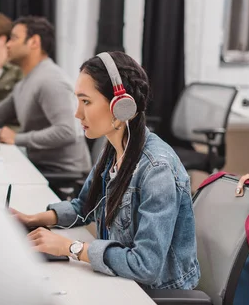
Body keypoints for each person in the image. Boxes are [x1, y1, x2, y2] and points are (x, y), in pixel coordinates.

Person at [11, 51, 200, 290]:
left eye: (86, 101)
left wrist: (72, 248)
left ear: (120, 106)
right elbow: (84, 207)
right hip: (122, 283)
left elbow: (146, 265)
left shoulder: (157, 170)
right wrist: (33, 219)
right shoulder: (113, 149)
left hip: (154, 297)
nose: (77, 113)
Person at [0, 16, 91, 175]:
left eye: (14, 38)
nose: (8, 44)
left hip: (62, 174)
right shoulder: (25, 81)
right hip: (39, 164)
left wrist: (17, 138)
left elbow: (67, 131)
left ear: (34, 42)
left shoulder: (50, 80)